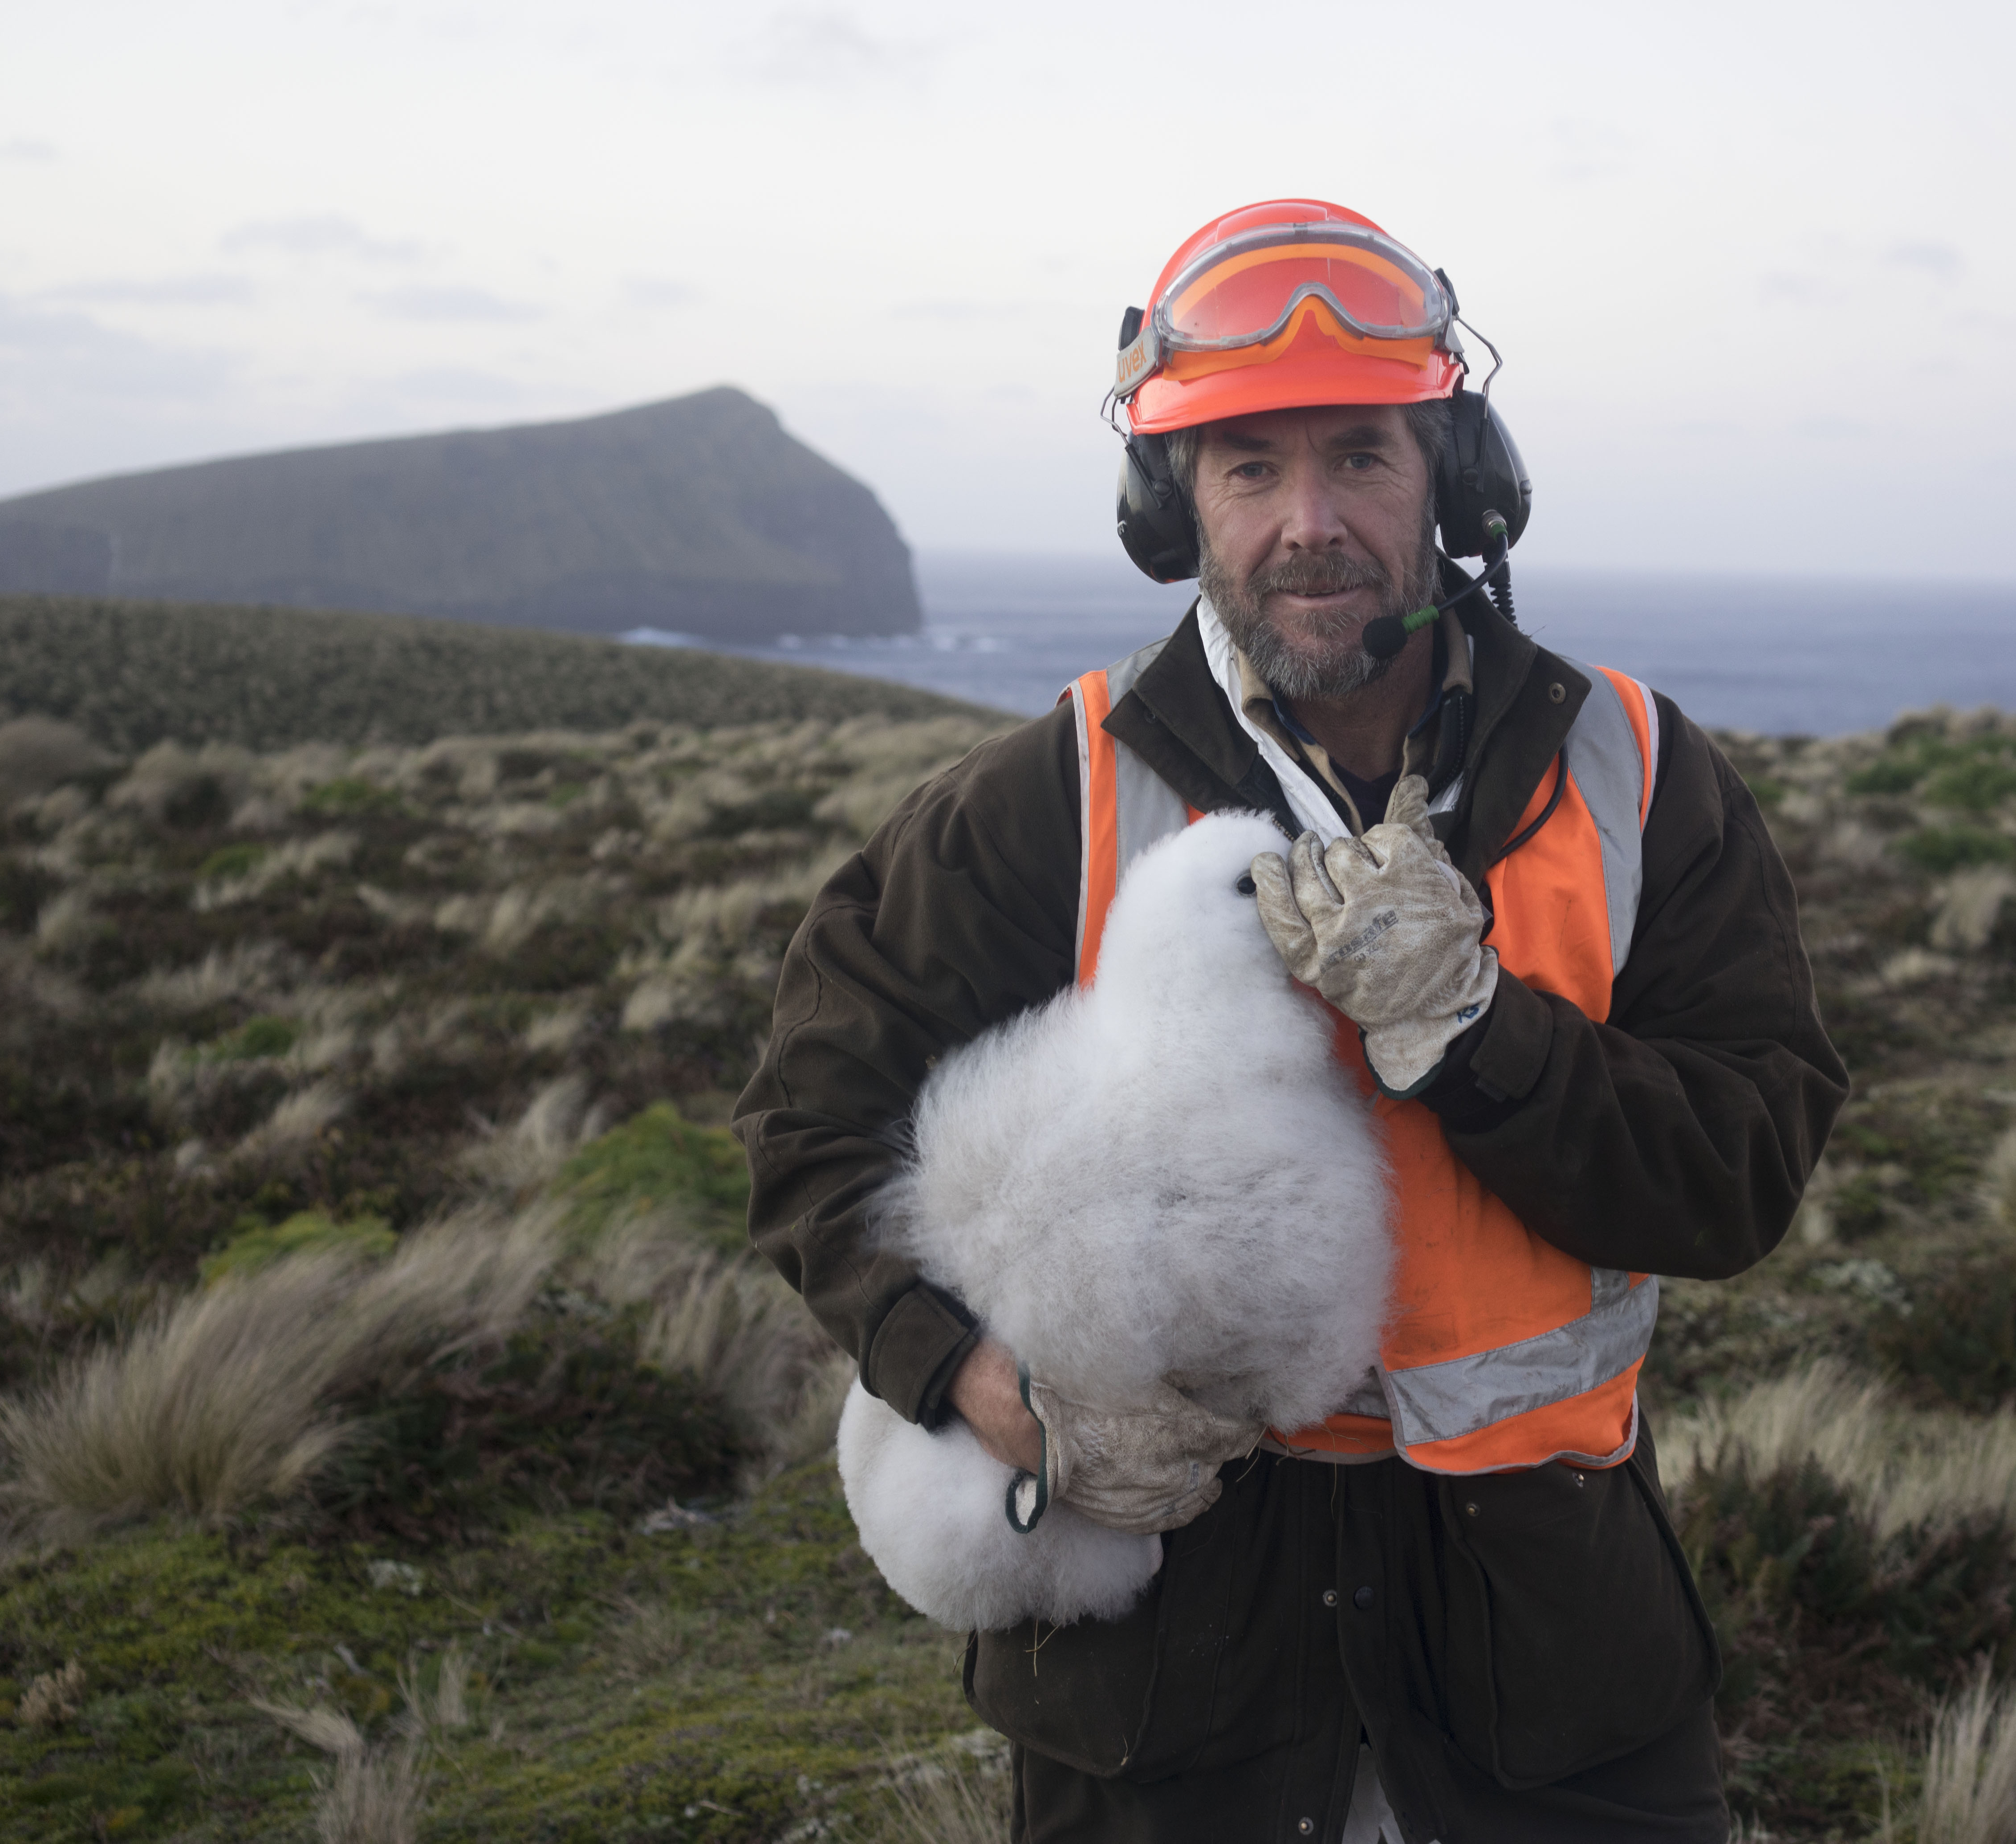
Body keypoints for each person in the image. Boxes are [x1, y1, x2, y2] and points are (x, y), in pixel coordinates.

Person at [733, 198, 1846, 1843]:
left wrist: (1478, 1033)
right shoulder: (1041, 802)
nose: (1307, 522)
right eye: (1249, 467)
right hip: (1168, 1672)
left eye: (1362, 459)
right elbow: (809, 1133)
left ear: (1454, 482)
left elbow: (1737, 1180)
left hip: (1548, 1661)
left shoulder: (1638, 776)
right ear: (1169, 506)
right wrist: (973, 1383)